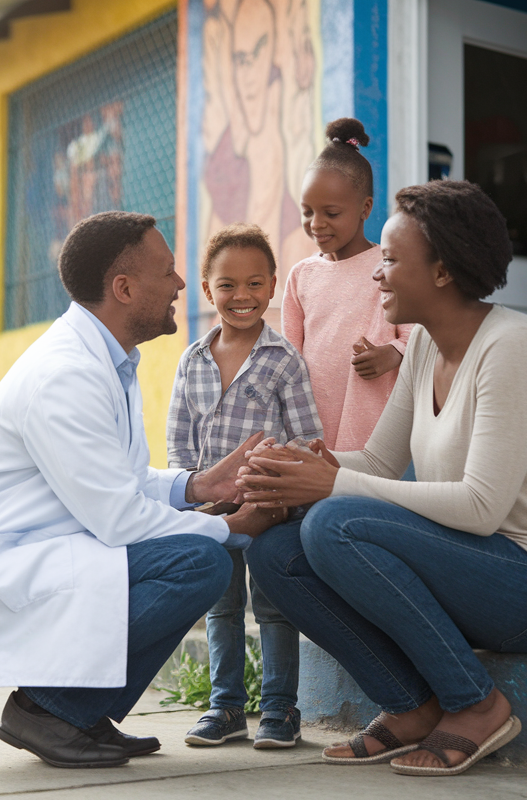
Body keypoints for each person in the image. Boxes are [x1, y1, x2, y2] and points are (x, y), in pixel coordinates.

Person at [237, 180, 527, 777]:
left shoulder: (512, 344)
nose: (376, 274)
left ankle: (476, 704)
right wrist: (295, 467)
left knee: (334, 521)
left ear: (440, 273)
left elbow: (482, 508)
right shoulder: (426, 345)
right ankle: (411, 708)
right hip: (470, 568)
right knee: (275, 550)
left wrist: (328, 488)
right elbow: (377, 464)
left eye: (389, 259)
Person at [0, 211, 283, 769]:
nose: (181, 285)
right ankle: (48, 710)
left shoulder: (107, 360)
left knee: (194, 554)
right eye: (167, 272)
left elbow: (124, 481)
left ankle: (82, 714)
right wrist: (228, 526)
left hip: (40, 549)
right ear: (123, 288)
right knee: (198, 561)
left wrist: (198, 485)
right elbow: (118, 518)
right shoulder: (67, 373)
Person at [167, 223, 323, 749]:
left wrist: (277, 484)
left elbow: (307, 439)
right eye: (228, 285)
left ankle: (280, 710)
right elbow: (179, 442)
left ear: (273, 286)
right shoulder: (191, 361)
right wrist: (196, 503)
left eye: (255, 284)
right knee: (221, 606)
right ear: (208, 291)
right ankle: (225, 708)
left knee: (275, 607)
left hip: (270, 508)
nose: (242, 296)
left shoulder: (283, 362)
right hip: (212, 512)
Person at [283, 118, 414, 452]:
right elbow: (290, 355)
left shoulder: (388, 266)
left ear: (364, 209)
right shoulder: (301, 276)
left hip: (372, 420)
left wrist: (392, 354)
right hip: (310, 421)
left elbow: (417, 334)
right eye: (307, 211)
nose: (316, 224)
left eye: (331, 213)